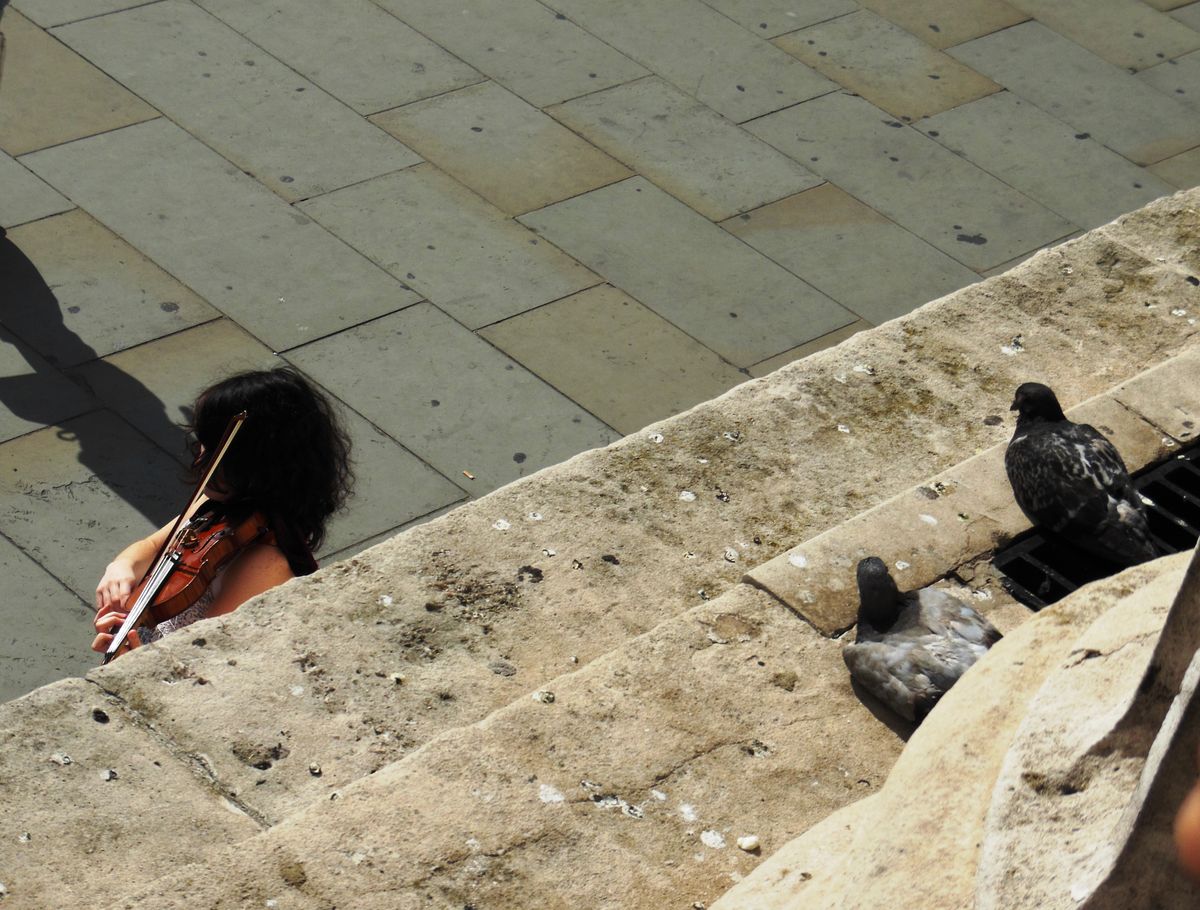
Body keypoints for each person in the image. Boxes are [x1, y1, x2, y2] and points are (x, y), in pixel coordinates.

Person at [92, 367, 352, 655]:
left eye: (214, 450)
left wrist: (132, 656)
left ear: (253, 466)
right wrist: (122, 566)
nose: (200, 458)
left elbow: (203, 656)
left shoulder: (263, 565)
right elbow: (153, 546)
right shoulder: (217, 509)